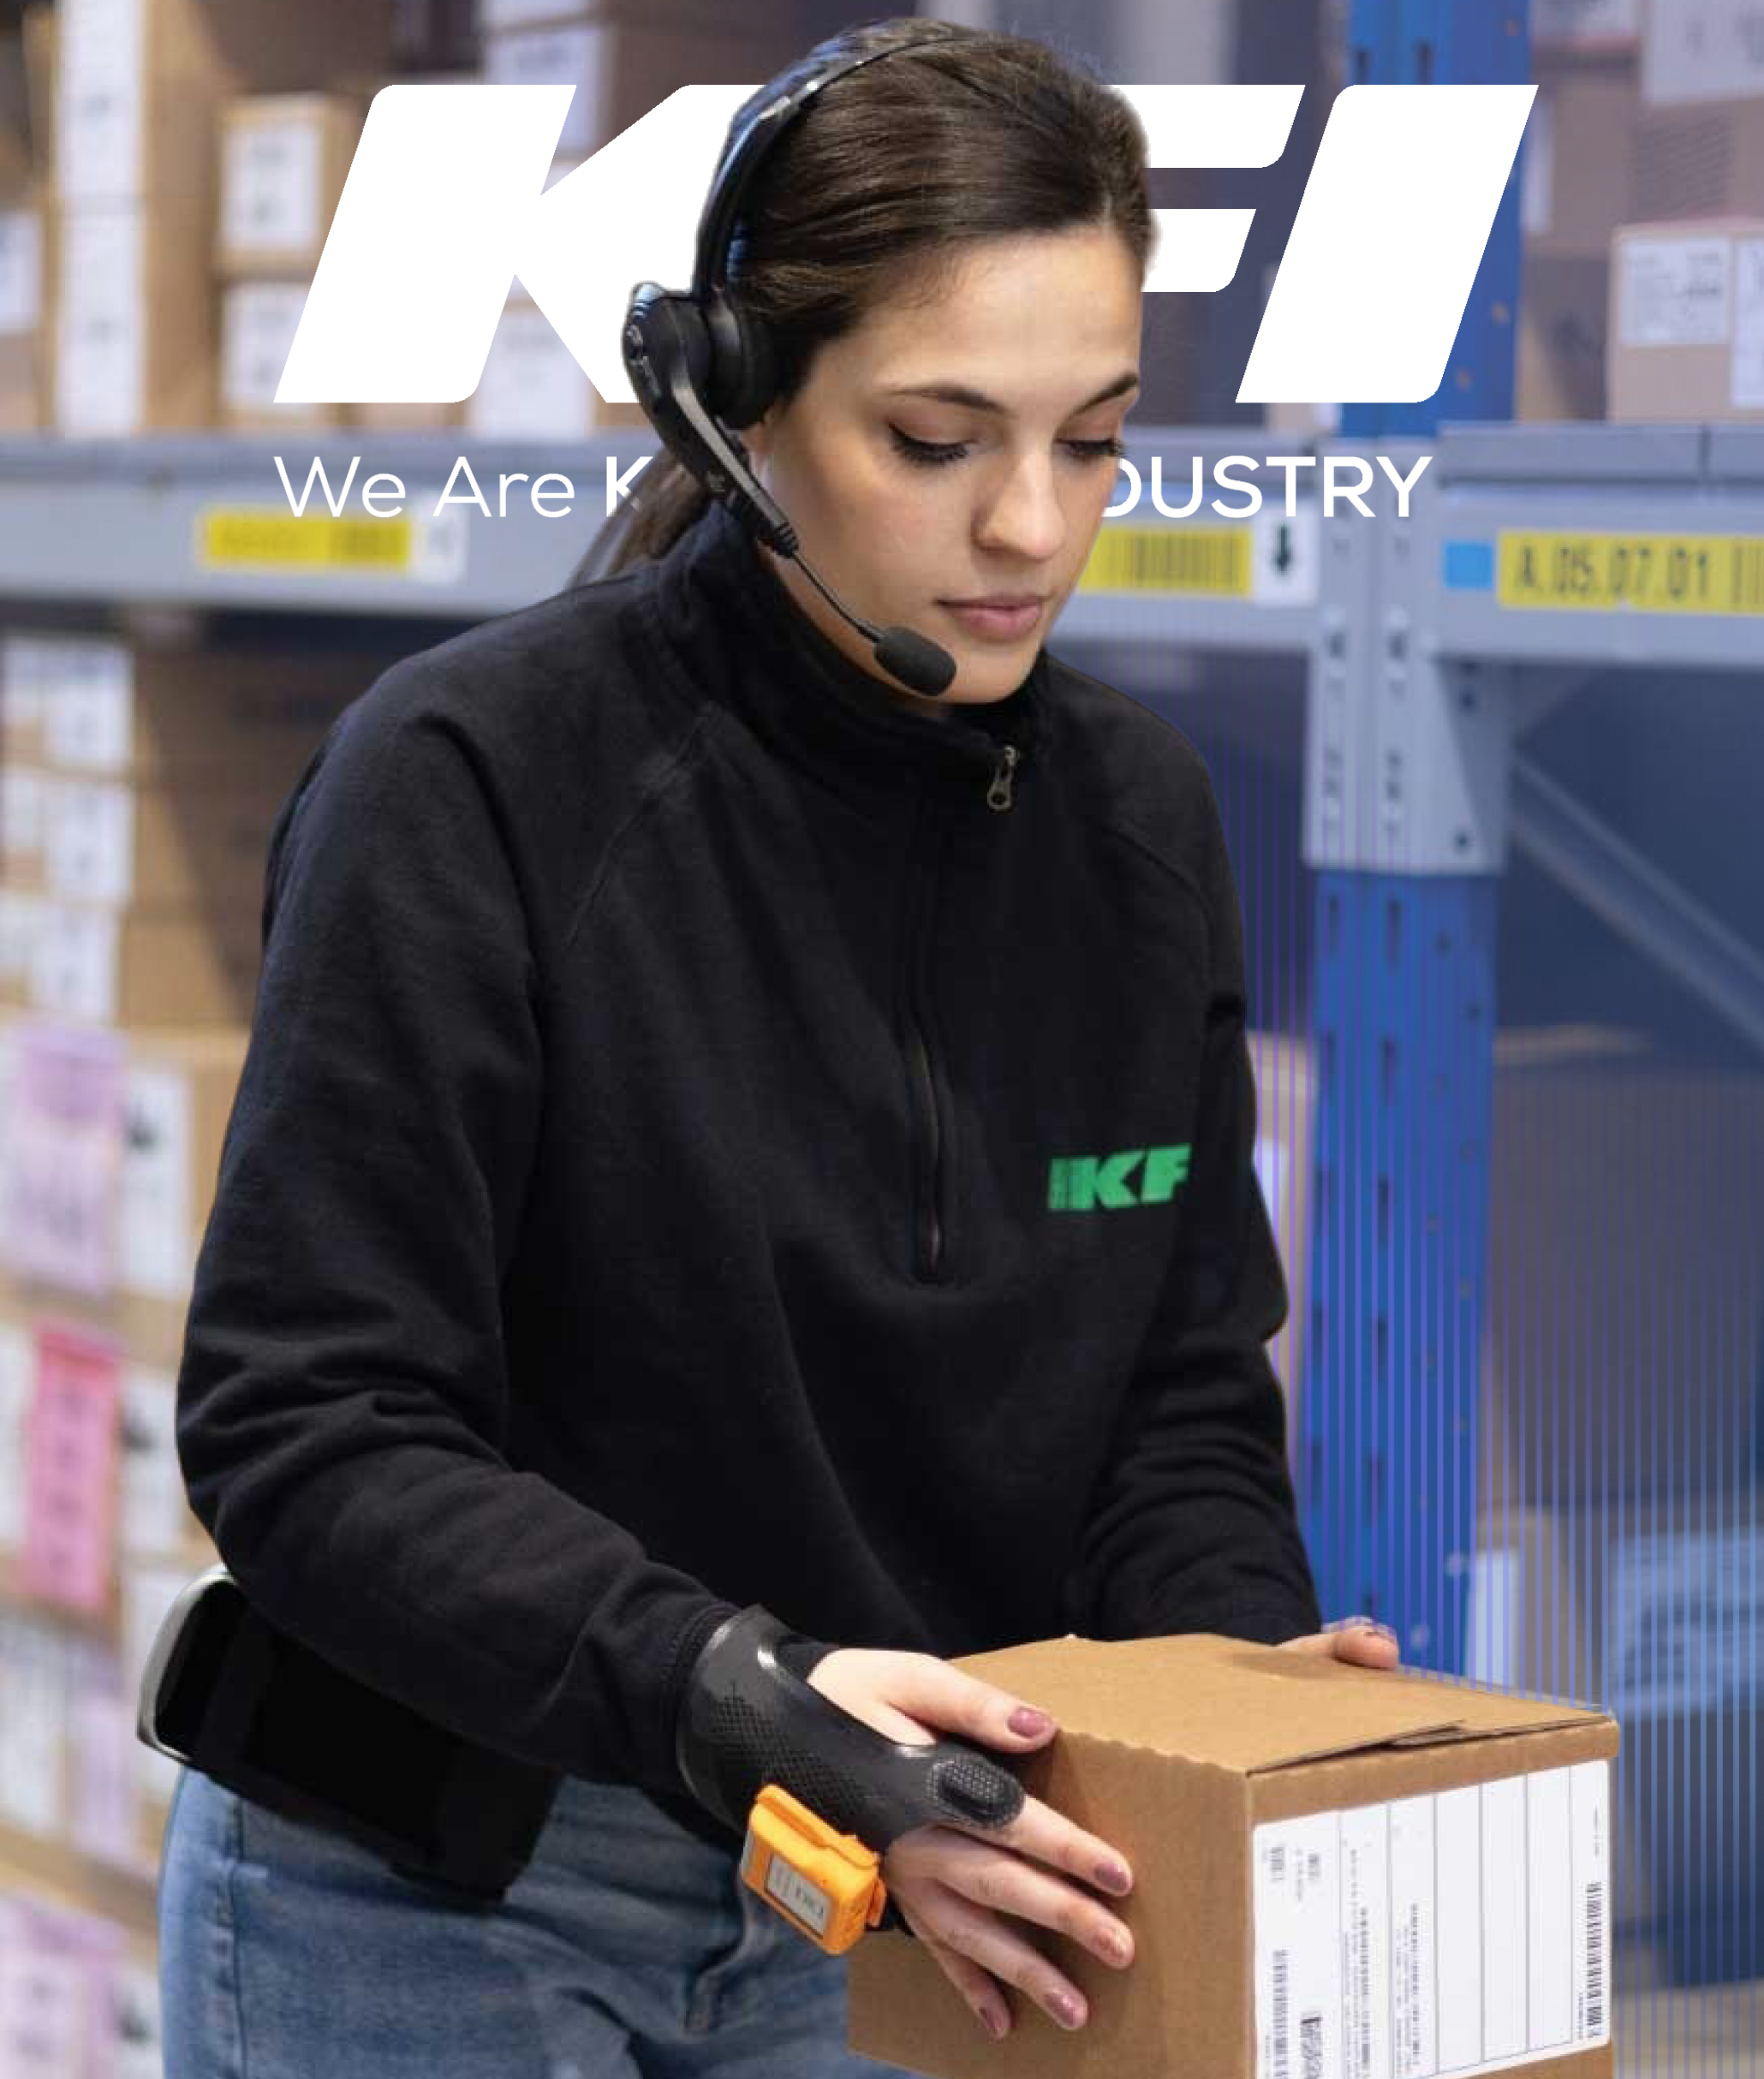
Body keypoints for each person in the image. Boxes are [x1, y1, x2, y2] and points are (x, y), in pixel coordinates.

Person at [155, 16, 1397, 2077]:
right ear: (734, 406)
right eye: (937, 438)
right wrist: (749, 1699)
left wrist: (1232, 1685)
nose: (1031, 526)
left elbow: (1167, 1402)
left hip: (902, 1889)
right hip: (451, 1890)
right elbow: (315, 1429)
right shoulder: (472, 783)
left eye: (1092, 437)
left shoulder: (1137, 828)